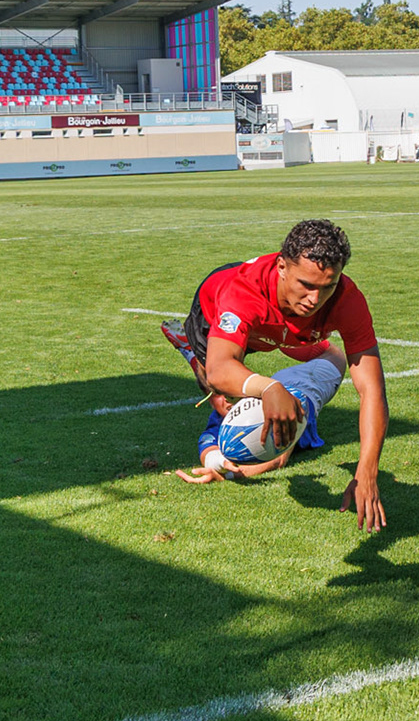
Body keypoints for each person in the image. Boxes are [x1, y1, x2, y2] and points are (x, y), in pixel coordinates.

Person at [160, 219, 390, 530]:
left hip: (281, 333)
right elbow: (220, 368)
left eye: (328, 286)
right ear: (281, 266)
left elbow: (372, 390)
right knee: (222, 393)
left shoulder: (347, 299)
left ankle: (278, 348)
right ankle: (190, 349)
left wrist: (367, 472)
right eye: (306, 285)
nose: (315, 299)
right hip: (215, 311)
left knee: (332, 355)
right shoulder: (243, 292)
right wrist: (268, 388)